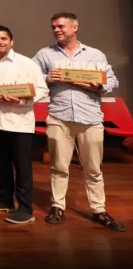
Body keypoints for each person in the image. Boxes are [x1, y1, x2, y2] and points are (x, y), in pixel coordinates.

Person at [33, 12, 125, 232]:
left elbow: (112, 80)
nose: (56, 30)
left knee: (93, 168)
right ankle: (57, 206)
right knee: (58, 166)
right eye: (53, 27)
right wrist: (47, 78)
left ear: (75, 28)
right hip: (59, 117)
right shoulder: (45, 54)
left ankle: (99, 209)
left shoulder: (95, 54)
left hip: (90, 117)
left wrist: (99, 86)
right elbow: (31, 78)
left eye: (61, 26)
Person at [0, 25, 49, 224]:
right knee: (2, 165)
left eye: (3, 38)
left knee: (22, 168)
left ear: (11, 41)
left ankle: (25, 208)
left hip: (19, 123)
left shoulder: (26, 63)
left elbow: (42, 90)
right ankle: (4, 200)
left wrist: (22, 100)